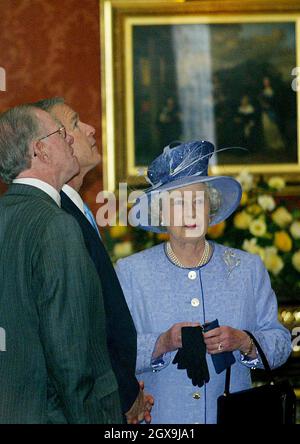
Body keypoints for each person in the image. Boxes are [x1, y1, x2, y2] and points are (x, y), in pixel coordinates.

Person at [115, 140, 292, 424]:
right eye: (178, 202)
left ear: (211, 209)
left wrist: (244, 341)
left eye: (198, 201)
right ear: (161, 213)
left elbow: (282, 343)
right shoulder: (131, 272)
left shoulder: (247, 268)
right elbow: (113, 353)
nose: (190, 212)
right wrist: (163, 342)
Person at [31, 97, 153, 424]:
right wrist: (125, 394)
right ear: (52, 145)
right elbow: (83, 325)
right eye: (74, 123)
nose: (89, 129)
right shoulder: (58, 218)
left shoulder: (77, 211)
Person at [0, 104, 122, 423]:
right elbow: (69, 358)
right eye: (59, 132)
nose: (69, 139)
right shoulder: (57, 225)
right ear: (40, 150)